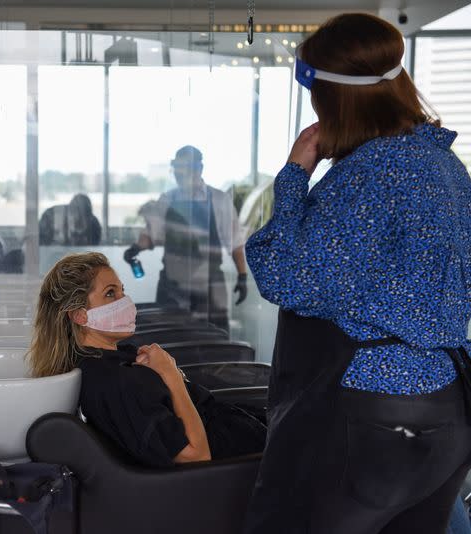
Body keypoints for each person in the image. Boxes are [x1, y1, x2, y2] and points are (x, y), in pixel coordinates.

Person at [244, 14, 471, 533]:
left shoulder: (370, 174)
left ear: (331, 99)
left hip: (377, 410)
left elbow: (287, 276)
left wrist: (295, 175)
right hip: (449, 402)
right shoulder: (445, 166)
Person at [26, 252, 266, 467]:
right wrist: (171, 376)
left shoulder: (113, 360)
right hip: (245, 463)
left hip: (248, 429)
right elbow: (196, 456)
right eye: (111, 293)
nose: (124, 300)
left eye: (122, 290)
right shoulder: (114, 382)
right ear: (79, 315)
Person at [123, 146, 248, 332]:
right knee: (169, 338)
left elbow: (235, 242)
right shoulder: (167, 199)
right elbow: (151, 234)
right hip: (172, 284)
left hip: (210, 285)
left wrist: (242, 275)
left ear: (199, 169)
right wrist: (135, 248)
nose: (180, 175)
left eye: (185, 169)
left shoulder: (220, 200)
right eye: (177, 170)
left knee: (214, 339)